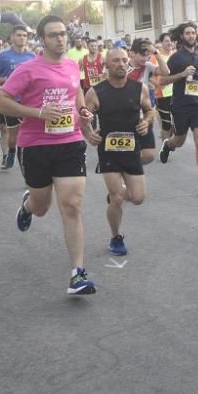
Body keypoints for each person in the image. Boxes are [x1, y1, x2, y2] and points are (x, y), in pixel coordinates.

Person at [0, 15, 96, 296]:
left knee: (72, 205)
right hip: (36, 144)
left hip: (70, 142)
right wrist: (38, 113)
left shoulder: (73, 66)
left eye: (63, 33)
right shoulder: (28, 70)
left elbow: (77, 95)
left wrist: (83, 111)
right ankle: (28, 206)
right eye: (53, 35)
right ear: (42, 39)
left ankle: (78, 273)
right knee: (41, 207)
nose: (60, 39)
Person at [81, 48, 155, 257]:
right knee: (117, 199)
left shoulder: (138, 88)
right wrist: (88, 133)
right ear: (106, 65)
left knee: (138, 198)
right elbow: (84, 118)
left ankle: (117, 193)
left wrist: (147, 122)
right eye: (116, 61)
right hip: (109, 151)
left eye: (124, 60)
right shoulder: (96, 92)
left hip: (132, 150)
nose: (121, 64)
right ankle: (116, 237)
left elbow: (150, 110)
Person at [158, 22, 198, 198]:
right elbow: (163, 80)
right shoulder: (176, 58)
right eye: (188, 33)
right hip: (181, 105)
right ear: (182, 36)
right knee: (180, 140)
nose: (191, 35)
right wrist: (181, 75)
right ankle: (168, 145)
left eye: (193, 32)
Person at [0, 25, 36, 170]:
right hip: (11, 102)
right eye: (19, 35)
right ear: (12, 37)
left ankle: (28, 171)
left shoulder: (32, 56)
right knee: (13, 138)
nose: (22, 38)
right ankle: (12, 150)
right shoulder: (3, 55)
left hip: (29, 102)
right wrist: (8, 79)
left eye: (24, 35)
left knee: (29, 137)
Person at [125, 38, 166, 165]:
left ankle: (127, 165)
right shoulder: (122, 66)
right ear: (132, 53)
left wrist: (156, 53)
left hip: (143, 115)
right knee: (127, 150)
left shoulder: (147, 67)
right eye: (143, 55)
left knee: (149, 156)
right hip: (124, 115)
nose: (146, 58)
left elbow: (166, 72)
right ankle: (126, 170)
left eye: (148, 54)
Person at [152, 32, 175, 143]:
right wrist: (158, 83)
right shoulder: (156, 57)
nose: (169, 43)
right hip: (162, 94)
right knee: (166, 123)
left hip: (177, 93)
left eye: (171, 40)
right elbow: (150, 75)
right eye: (166, 40)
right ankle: (165, 147)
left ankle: (169, 138)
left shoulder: (176, 55)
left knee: (177, 122)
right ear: (161, 43)